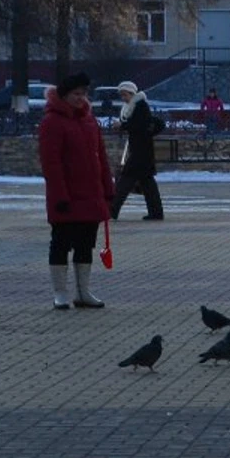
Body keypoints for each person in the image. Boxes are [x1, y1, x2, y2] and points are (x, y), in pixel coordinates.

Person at [38, 73, 114, 310]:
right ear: (64, 95)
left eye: (84, 94)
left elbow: (101, 158)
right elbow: (51, 163)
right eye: (76, 94)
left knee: (85, 244)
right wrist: (60, 196)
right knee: (60, 243)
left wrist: (108, 189)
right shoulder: (52, 122)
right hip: (67, 197)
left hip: (91, 195)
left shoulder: (90, 121)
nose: (81, 98)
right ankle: (60, 293)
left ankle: (83, 292)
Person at [110, 81, 166, 222]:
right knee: (147, 183)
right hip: (140, 150)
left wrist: (123, 126)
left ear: (131, 93)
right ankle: (156, 212)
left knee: (125, 181)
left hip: (141, 151)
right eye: (121, 94)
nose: (123, 97)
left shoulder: (140, 106)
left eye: (125, 94)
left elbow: (139, 125)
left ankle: (112, 210)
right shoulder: (133, 106)